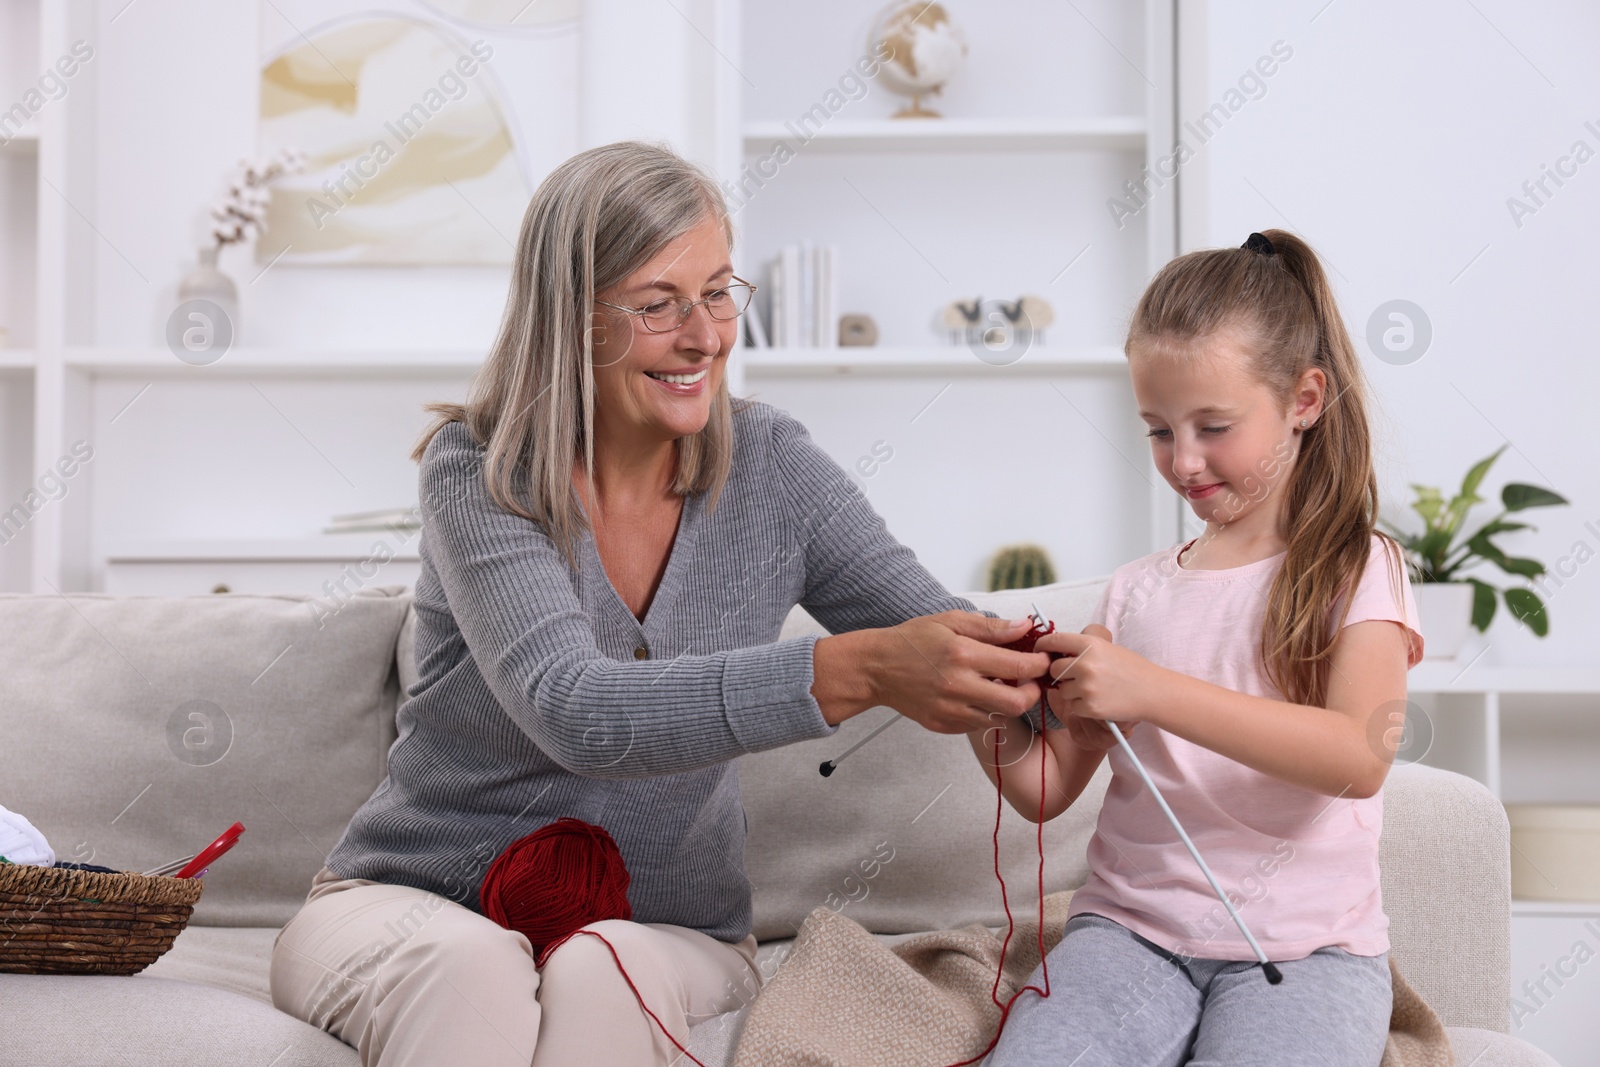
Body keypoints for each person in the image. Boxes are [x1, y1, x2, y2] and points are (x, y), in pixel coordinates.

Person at [268, 140, 1051, 1067]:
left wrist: (1055, 670)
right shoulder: (481, 475)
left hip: (670, 931)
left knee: (605, 961)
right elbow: (576, 709)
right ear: (571, 319)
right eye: (657, 305)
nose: (705, 335)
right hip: (408, 903)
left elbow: (945, 633)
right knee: (467, 962)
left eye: (719, 291)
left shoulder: (774, 469)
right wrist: (857, 670)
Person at [972, 230, 1424, 1067]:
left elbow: (1359, 756)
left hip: (1308, 953)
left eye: (1213, 426)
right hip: (1131, 935)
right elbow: (1045, 790)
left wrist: (1151, 690)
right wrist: (984, 708)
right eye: (1156, 430)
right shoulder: (1137, 591)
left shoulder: (1359, 565)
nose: (1183, 461)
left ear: (1305, 399)